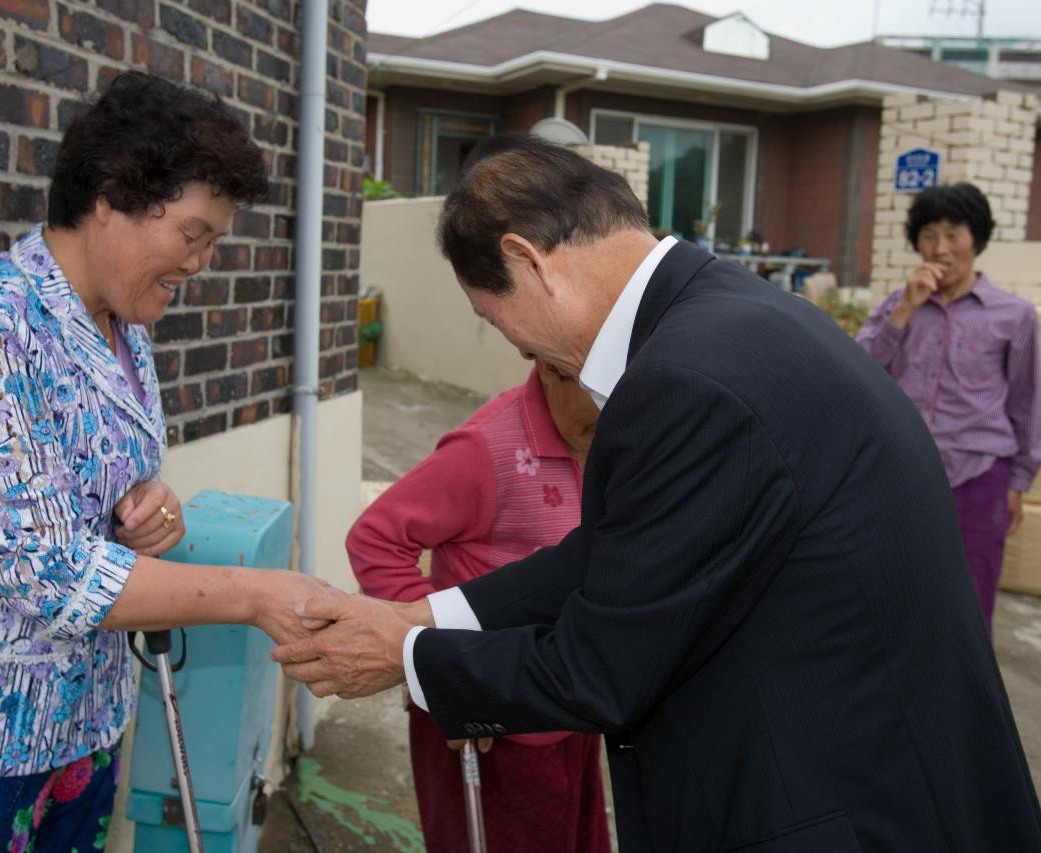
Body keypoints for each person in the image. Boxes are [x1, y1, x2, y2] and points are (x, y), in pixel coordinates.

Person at [274, 135, 1041, 852]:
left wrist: (407, 657)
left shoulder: (684, 380)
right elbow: (624, 546)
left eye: (493, 315)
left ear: (530, 262)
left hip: (837, 803)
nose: (514, 345)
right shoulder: (730, 318)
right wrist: (428, 612)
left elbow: (597, 669)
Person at [0, 71, 323, 852]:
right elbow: (47, 568)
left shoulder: (124, 331)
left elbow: (91, 489)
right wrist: (254, 595)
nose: (202, 261)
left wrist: (154, 506)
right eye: (194, 232)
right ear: (111, 196)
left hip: (64, 732)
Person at [347, 363, 609, 853]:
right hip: (489, 725)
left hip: (565, 706)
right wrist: (451, 674)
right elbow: (375, 539)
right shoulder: (488, 447)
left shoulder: (606, 430)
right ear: (553, 369)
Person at [856, 183, 1039, 634]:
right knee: (897, 589)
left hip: (978, 475)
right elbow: (860, 375)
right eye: (929, 235)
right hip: (903, 473)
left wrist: (1018, 481)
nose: (940, 248)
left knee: (971, 602)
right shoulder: (898, 306)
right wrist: (903, 312)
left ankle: (963, 699)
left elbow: (1027, 402)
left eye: (953, 234)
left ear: (976, 239)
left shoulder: (1013, 315)